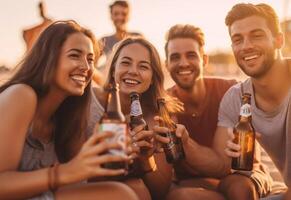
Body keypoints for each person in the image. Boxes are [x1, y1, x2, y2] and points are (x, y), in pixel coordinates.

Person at [0, 20, 138, 200]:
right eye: (75, 55)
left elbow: (80, 179)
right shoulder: (21, 95)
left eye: (90, 59)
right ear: (49, 58)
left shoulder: (66, 115)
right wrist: (62, 173)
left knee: (123, 193)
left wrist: (105, 156)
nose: (86, 67)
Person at [155, 24, 272, 200]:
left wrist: (186, 143)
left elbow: (226, 167)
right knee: (181, 196)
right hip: (193, 182)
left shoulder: (231, 90)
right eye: (175, 57)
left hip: (243, 175)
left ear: (204, 60)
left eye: (191, 55)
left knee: (238, 189)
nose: (184, 63)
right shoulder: (164, 104)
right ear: (167, 64)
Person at [89, 36, 183, 200]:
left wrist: (146, 157)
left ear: (153, 77)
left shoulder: (160, 118)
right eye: (125, 63)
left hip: (136, 191)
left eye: (143, 66)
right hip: (90, 187)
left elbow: (161, 191)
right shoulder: (90, 102)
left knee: (137, 188)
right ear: (113, 69)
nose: (133, 71)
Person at [218, 3, 291, 199]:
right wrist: (229, 158)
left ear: (278, 40)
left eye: (256, 35)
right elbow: (221, 163)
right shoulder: (236, 99)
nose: (246, 46)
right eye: (237, 39)